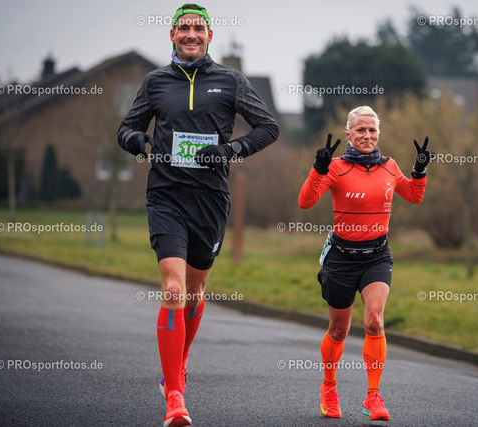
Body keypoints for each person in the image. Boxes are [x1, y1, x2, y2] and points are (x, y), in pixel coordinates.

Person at [117, 4, 279, 426]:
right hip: (166, 195)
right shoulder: (155, 82)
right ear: (172, 35)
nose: (191, 33)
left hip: (210, 199)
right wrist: (138, 141)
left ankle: (180, 361)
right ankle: (175, 396)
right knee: (172, 290)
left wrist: (231, 149)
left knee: (194, 290)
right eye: (184, 27)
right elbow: (126, 128)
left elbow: (268, 127)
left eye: (198, 27)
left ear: (209, 35)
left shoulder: (230, 81)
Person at [298, 106, 429, 421]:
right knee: (339, 329)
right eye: (360, 130)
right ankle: (329, 388)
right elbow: (305, 202)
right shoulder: (336, 167)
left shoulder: (389, 166)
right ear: (349, 135)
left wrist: (420, 170)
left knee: (374, 322)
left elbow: (413, 196)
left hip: (377, 257)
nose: (367, 135)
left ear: (378, 134)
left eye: (372, 130)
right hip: (341, 259)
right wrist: (318, 169)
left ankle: (373, 396)